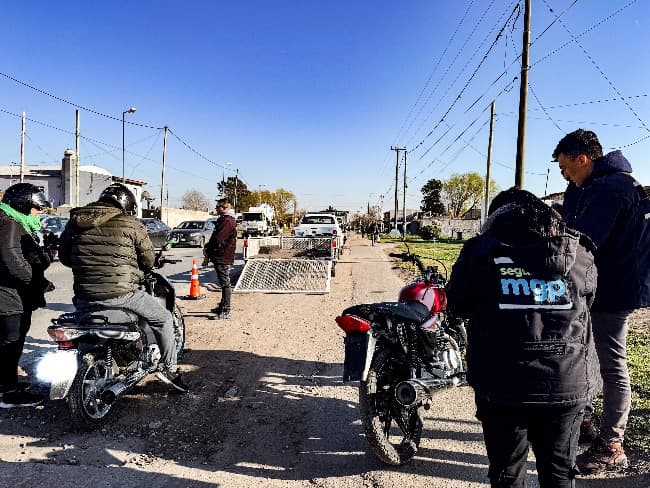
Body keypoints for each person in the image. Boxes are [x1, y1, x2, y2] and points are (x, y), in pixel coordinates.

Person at [446, 188, 600, 488]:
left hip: (501, 384)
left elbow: (458, 304)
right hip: (565, 381)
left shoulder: (480, 253)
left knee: (507, 472)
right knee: (558, 474)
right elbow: (589, 299)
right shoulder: (579, 252)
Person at [553, 129, 647, 473]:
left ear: (584, 159)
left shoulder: (613, 188)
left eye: (567, 168)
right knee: (583, 356)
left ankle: (612, 444)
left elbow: (583, 239)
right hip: (590, 288)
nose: (564, 175)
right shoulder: (587, 187)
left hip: (613, 291)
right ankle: (586, 422)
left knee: (610, 364)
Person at [58, 183, 188, 393]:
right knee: (163, 319)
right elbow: (147, 259)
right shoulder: (130, 222)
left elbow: (64, 257)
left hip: (85, 296)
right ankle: (169, 369)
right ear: (127, 204)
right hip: (122, 294)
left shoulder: (75, 221)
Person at [0, 183, 53, 408]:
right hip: (8, 295)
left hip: (16, 293)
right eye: (35, 208)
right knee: (10, 342)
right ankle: (8, 393)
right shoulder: (8, 223)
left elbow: (29, 258)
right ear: (23, 204)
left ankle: (9, 384)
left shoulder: (15, 222)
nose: (38, 212)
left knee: (15, 340)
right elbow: (13, 260)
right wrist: (36, 283)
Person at [205, 198, 237, 320]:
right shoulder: (225, 220)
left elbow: (219, 239)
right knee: (223, 282)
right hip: (221, 255)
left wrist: (210, 248)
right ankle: (223, 305)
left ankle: (226, 310)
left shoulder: (228, 221)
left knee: (225, 283)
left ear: (224, 208)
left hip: (223, 256)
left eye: (218, 207)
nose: (216, 209)